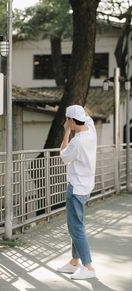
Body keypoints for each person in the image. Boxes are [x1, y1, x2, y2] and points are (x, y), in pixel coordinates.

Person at [57, 105, 97, 280]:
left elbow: (63, 156)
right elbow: (88, 116)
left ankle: (88, 267)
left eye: (68, 120)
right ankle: (74, 262)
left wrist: (66, 132)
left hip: (76, 187)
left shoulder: (77, 141)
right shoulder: (91, 129)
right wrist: (78, 112)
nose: (67, 123)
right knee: (76, 225)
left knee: (76, 228)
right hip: (86, 185)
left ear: (72, 121)